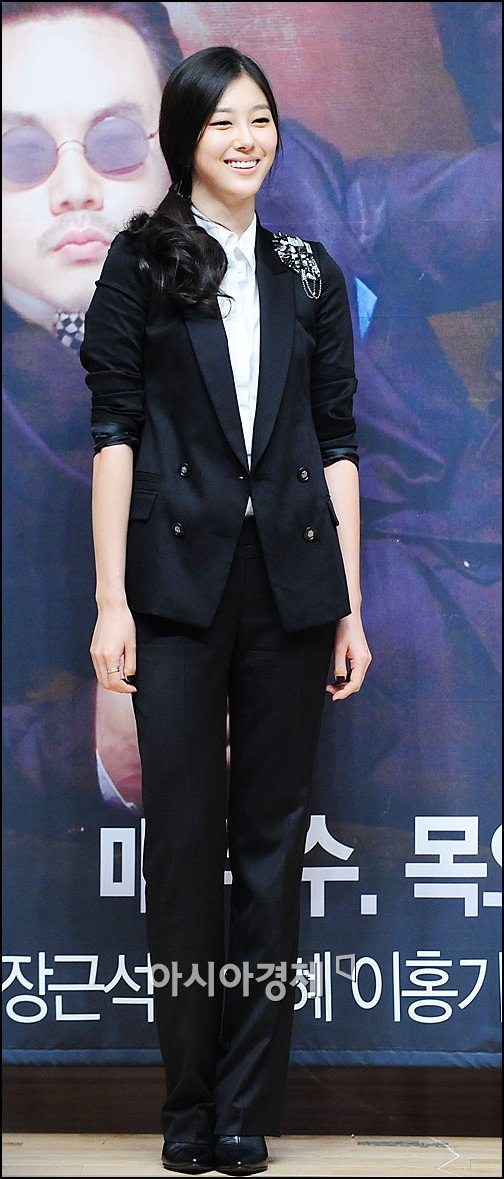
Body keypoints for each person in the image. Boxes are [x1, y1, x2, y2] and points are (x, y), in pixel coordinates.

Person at [80, 44, 371, 1175]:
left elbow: (337, 443)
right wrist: (112, 601)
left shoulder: (306, 271)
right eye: (222, 124)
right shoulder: (141, 261)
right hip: (175, 589)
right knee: (184, 842)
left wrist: (346, 604)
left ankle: (246, 1108)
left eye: (261, 120)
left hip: (292, 588)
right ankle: (187, 1102)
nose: (247, 140)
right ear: (182, 141)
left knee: (270, 847)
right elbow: (116, 433)